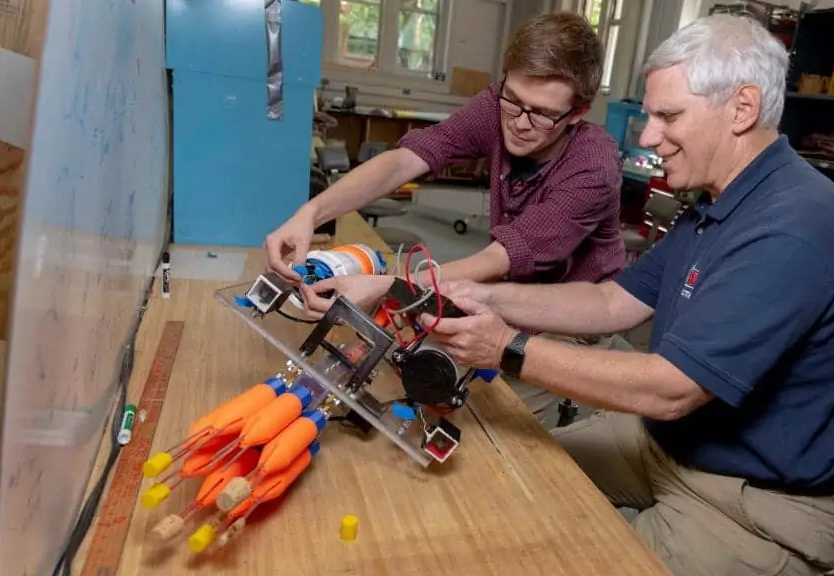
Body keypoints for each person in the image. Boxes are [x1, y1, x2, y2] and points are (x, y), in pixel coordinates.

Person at [416, 14, 834, 576]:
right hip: (664, 447)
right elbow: (614, 303)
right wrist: (486, 297)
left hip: (749, 504)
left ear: (742, 108)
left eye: (668, 116)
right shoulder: (720, 203)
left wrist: (507, 348)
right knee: (504, 472)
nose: (645, 136)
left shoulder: (796, 228)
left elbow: (672, 390)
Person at [264, 11, 630, 425]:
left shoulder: (594, 165)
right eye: (513, 100)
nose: (519, 122)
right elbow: (405, 161)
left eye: (542, 114)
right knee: (420, 375)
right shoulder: (498, 104)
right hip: (505, 294)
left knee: (486, 421)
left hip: (572, 321)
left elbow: (501, 256)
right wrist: (311, 211)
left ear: (578, 112)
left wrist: (390, 288)